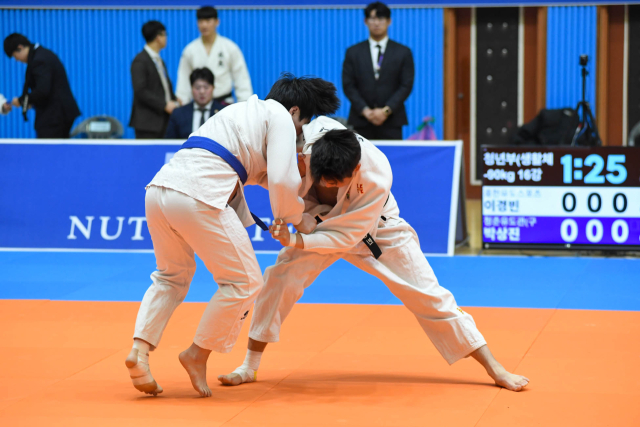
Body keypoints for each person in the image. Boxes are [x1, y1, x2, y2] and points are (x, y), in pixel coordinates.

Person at [218, 117, 530, 393]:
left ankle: (495, 368)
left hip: (377, 230)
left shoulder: (376, 173)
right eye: (324, 178)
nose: (328, 184)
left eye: (335, 182)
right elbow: (262, 172)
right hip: (318, 223)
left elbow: (346, 236)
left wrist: (297, 239)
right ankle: (249, 366)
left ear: (355, 169)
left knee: (429, 294)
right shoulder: (306, 147)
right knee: (280, 279)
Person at [125, 74, 340, 398]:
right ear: (295, 111)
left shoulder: (240, 111)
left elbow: (262, 175)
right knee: (245, 282)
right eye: (302, 125)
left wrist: (302, 202)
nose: (299, 133)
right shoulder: (281, 116)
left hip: (158, 190)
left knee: (171, 277)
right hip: (198, 194)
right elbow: (281, 181)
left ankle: (139, 352)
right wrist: (300, 219)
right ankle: (197, 354)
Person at [342, 2, 414, 140]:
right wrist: (366, 111)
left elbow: (406, 85)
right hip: (361, 120)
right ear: (365, 21)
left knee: (391, 154)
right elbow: (348, 85)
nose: (376, 23)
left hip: (392, 120)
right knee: (360, 154)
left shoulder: (403, 52)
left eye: (380, 19)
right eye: (372, 18)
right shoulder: (353, 52)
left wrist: (386, 111)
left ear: (389, 21)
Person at [3, 33, 80, 138]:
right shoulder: (41, 54)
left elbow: (42, 91)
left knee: (48, 147)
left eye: (14, 55)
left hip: (54, 117)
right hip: (58, 114)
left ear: (20, 47)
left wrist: (21, 101)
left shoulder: (39, 60)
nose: (16, 60)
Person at [175, 6, 253, 106]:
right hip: (199, 104)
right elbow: (183, 80)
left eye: (208, 21)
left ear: (217, 22)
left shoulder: (230, 47)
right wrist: (182, 104)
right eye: (201, 21)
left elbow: (241, 79)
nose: (204, 25)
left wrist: (245, 104)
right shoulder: (190, 50)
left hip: (224, 102)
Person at [129, 21, 179, 139]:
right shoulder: (140, 61)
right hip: (148, 124)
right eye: (165, 34)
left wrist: (174, 99)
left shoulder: (159, 60)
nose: (166, 38)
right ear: (158, 37)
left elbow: (161, 87)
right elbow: (140, 91)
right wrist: (164, 105)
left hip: (163, 120)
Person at [165, 67, 226, 140]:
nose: (202, 92)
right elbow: (169, 143)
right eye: (197, 88)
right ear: (191, 88)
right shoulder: (178, 114)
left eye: (206, 87)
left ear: (213, 88)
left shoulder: (223, 113)